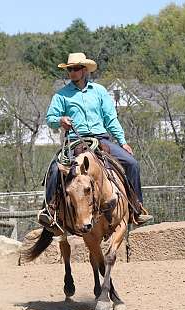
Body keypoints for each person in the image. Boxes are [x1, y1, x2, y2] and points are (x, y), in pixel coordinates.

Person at [38, 52, 153, 229]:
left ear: (84, 70)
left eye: (75, 69)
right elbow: (50, 118)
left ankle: (136, 209)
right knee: (54, 169)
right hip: (75, 139)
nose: (71, 72)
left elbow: (110, 118)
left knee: (132, 163)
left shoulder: (99, 91)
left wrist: (122, 141)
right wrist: (60, 120)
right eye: (69, 69)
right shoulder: (61, 95)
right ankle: (50, 210)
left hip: (101, 139)